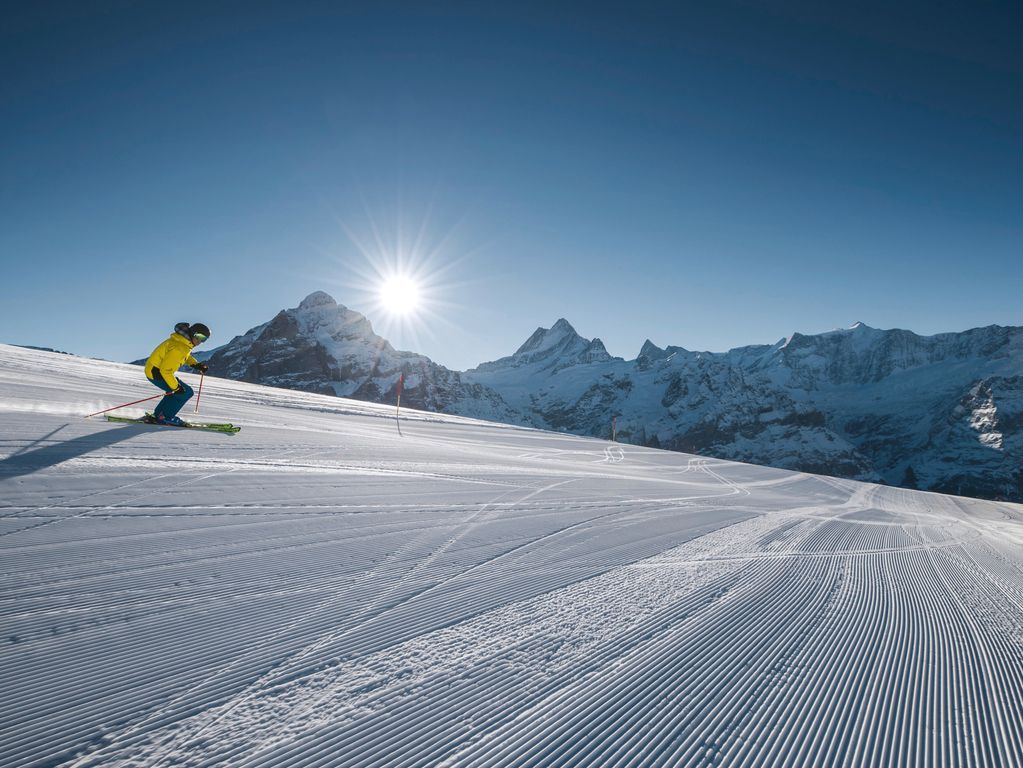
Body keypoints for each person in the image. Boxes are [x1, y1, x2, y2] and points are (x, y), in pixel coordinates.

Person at [143, 322, 211, 426]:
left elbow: (185, 356)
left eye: (204, 339)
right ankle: (165, 417)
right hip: (157, 373)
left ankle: (158, 415)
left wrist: (196, 365)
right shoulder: (180, 347)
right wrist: (176, 387)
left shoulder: (183, 342)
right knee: (186, 392)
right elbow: (166, 371)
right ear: (193, 333)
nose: (200, 341)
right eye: (199, 337)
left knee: (175, 391)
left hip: (155, 370)